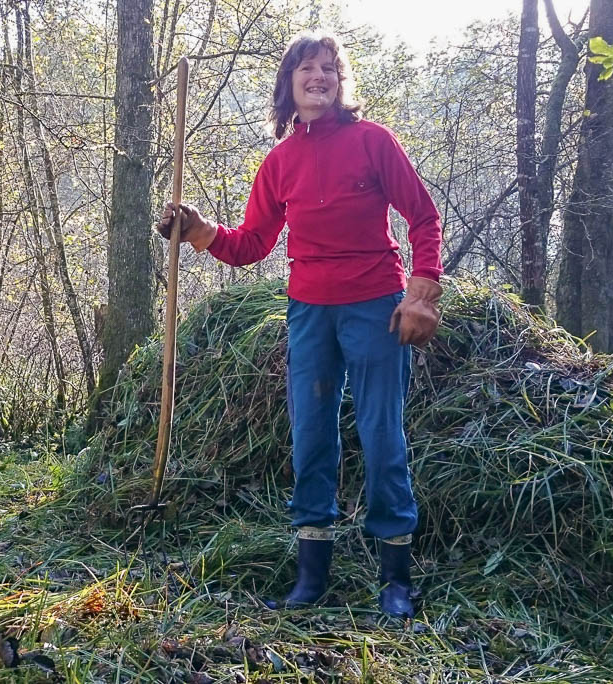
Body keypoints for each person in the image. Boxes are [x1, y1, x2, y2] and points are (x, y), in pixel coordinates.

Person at [157, 31, 442, 619]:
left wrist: (421, 292)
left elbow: (423, 216)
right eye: (307, 69)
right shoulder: (280, 162)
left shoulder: (373, 141)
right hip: (309, 312)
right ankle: (311, 576)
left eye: (329, 69)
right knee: (310, 435)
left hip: (375, 306)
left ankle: (396, 580)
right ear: (289, 84)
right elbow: (251, 245)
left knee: (381, 434)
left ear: (341, 83)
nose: (319, 77)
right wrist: (200, 232)